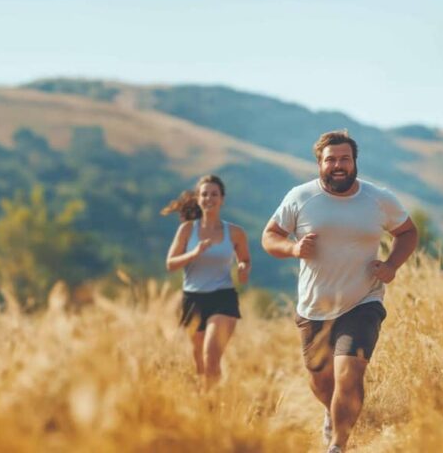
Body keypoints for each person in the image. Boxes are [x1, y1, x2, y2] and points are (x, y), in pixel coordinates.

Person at [261, 130, 418, 453]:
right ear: (319, 163)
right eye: (331, 159)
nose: (338, 165)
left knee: (349, 374)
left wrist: (391, 265)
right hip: (314, 307)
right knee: (322, 382)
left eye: (345, 158)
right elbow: (270, 236)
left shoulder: (378, 199)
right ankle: (332, 415)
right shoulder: (300, 197)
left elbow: (408, 232)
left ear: (354, 161)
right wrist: (292, 249)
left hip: (363, 301)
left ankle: (338, 445)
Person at [162, 174, 251, 388]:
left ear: (222, 199)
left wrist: (242, 269)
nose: (209, 198)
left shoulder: (236, 232)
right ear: (198, 198)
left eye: (214, 194)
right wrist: (194, 253)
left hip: (223, 297)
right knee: (200, 362)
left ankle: (214, 407)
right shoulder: (187, 230)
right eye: (204, 194)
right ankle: (206, 405)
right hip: (192, 299)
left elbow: (245, 260)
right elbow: (171, 264)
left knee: (211, 356)